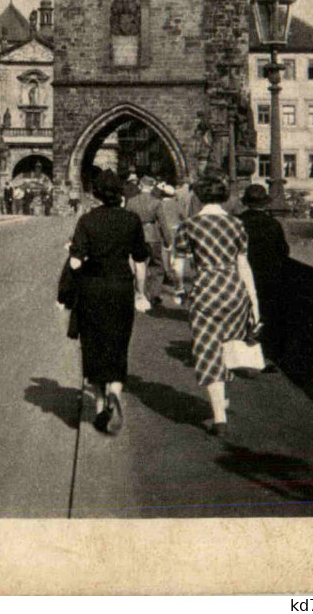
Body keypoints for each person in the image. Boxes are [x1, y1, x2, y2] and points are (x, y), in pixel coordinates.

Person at [174, 175, 261, 436]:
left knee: (207, 349)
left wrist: (179, 287)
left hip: (205, 291)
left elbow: (177, 265)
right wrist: (253, 300)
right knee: (228, 347)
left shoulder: (189, 226)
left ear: (199, 196)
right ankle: (221, 397)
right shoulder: (236, 225)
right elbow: (243, 264)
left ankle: (219, 416)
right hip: (234, 290)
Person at [68, 170, 148, 434]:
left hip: (93, 288)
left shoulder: (87, 220)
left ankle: (101, 405)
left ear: (96, 193)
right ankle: (115, 389)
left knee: (93, 344)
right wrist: (140, 291)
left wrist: (74, 256)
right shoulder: (131, 220)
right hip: (121, 288)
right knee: (117, 342)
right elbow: (139, 260)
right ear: (121, 193)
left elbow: (76, 261)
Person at [238, 183, 290, 367]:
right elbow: (284, 250)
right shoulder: (273, 224)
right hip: (269, 277)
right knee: (267, 314)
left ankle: (244, 353)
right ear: (265, 203)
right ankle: (265, 356)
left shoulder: (237, 222)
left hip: (243, 275)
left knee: (244, 313)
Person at [126, 175, 164, 308]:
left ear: (140, 186)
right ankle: (154, 295)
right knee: (156, 265)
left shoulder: (131, 202)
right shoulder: (157, 202)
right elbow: (163, 222)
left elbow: (126, 220)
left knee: (138, 265)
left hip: (136, 236)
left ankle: (138, 293)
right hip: (153, 236)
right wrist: (168, 240)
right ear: (152, 186)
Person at [156, 182, 186, 301]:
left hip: (163, 231)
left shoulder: (159, 204)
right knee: (175, 256)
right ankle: (176, 280)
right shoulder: (176, 204)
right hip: (176, 230)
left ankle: (166, 273)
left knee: (164, 253)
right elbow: (183, 217)